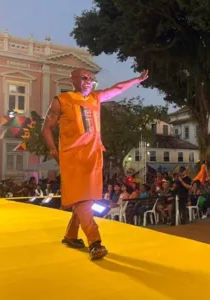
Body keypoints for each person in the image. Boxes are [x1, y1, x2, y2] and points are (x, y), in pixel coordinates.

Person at [42, 67, 149, 260]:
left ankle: (71, 235)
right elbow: (46, 129)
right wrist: (55, 153)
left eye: (91, 78)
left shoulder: (95, 98)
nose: (88, 81)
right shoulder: (61, 101)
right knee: (82, 199)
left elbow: (117, 88)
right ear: (73, 79)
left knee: (86, 198)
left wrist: (137, 80)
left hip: (93, 156)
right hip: (72, 158)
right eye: (84, 78)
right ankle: (95, 242)